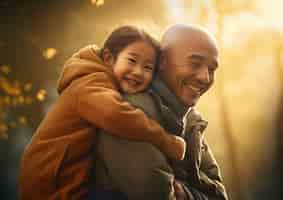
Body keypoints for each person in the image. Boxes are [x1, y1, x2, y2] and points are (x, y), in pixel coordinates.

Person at [19, 26, 187, 200]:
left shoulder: (102, 82)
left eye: (148, 68)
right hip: (52, 182)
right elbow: (116, 116)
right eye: (131, 60)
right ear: (108, 58)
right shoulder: (89, 82)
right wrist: (166, 141)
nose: (138, 72)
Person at [93, 24, 228, 200]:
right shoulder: (128, 111)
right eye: (195, 64)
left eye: (212, 69)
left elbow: (221, 194)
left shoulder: (191, 120)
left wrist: (187, 195)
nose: (205, 77)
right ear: (162, 62)